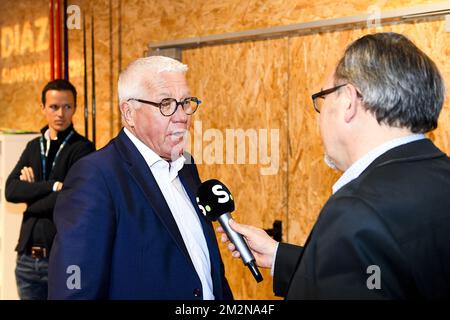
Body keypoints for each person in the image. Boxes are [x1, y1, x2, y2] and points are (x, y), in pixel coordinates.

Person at [219, 32, 450, 299]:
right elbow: (382, 274)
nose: (320, 116)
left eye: (324, 98)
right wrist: (279, 256)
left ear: (349, 102)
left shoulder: (357, 210)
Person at [48, 56, 233, 300]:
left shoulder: (186, 166)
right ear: (129, 112)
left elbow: (205, 268)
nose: (182, 116)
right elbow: (74, 290)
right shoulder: (96, 176)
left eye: (186, 102)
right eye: (166, 103)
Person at [5, 79, 95, 300]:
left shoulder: (83, 149)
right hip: (27, 261)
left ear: (75, 108)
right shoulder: (33, 146)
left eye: (67, 107)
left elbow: (69, 200)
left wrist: (32, 195)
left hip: (64, 260)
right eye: (54, 107)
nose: (60, 114)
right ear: (43, 108)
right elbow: (11, 190)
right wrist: (53, 186)